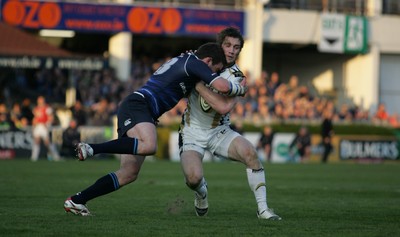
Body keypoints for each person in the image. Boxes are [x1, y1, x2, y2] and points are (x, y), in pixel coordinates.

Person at [64, 42, 247, 216]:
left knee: (129, 173)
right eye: (214, 70)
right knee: (150, 145)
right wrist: (241, 88)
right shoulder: (195, 63)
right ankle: (92, 148)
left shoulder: (188, 60)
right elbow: (222, 86)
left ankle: (77, 201)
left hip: (141, 109)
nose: (211, 75)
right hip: (139, 104)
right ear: (208, 61)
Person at [179, 27, 281, 220]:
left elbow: (221, 107)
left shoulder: (236, 77)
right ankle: (201, 192)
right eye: (227, 45)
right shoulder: (200, 61)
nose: (232, 50)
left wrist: (197, 84)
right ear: (220, 45)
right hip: (191, 132)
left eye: (236, 47)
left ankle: (263, 210)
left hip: (219, 131)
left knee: (250, 153)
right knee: (193, 179)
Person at [31, 96, 61, 162]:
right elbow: (35, 118)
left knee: (47, 142)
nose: (40, 102)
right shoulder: (36, 108)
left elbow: (51, 117)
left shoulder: (47, 108)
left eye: (41, 100)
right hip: (38, 126)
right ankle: (34, 157)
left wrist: (47, 124)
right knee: (36, 141)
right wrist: (33, 126)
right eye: (39, 100)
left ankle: (56, 156)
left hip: (44, 126)